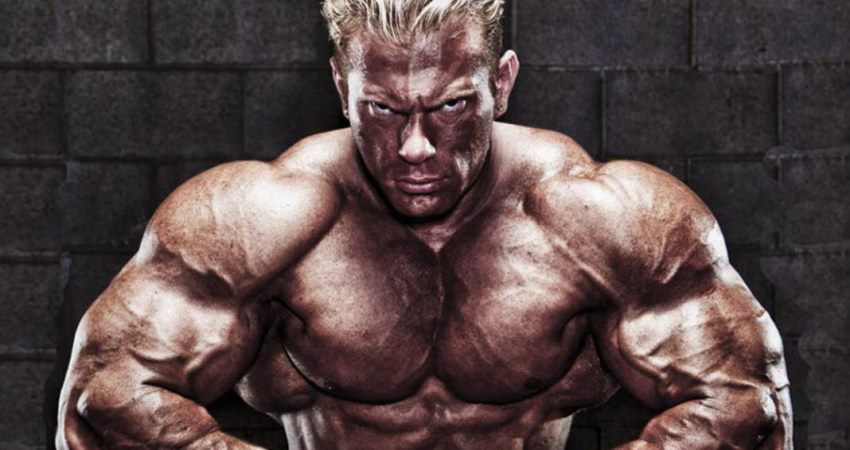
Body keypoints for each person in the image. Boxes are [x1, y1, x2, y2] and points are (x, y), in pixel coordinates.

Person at [56, 0, 792, 448]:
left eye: (449, 108)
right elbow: (104, 399)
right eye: (383, 109)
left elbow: (747, 405)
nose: (414, 148)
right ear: (342, 88)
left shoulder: (600, 220)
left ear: (500, 83)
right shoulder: (257, 222)